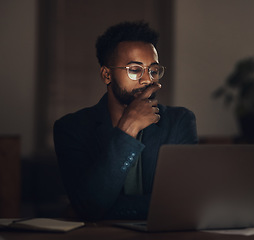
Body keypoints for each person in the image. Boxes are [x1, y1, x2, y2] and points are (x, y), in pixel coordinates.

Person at [53, 21, 198, 221]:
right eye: (135, 70)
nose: (148, 80)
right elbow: (89, 206)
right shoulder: (71, 129)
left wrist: (106, 211)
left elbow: (184, 202)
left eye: (153, 70)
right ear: (106, 74)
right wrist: (128, 129)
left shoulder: (179, 122)